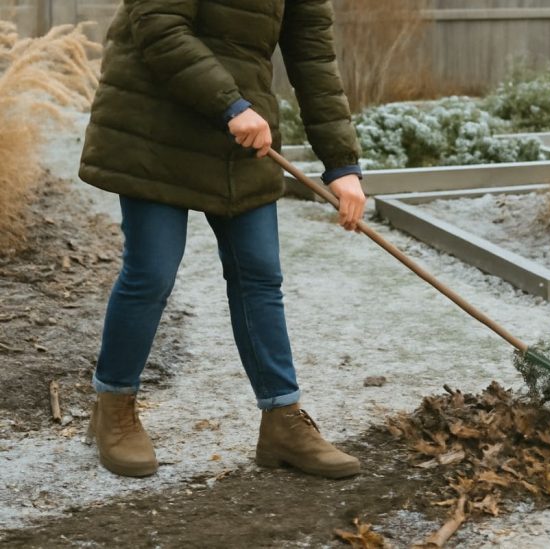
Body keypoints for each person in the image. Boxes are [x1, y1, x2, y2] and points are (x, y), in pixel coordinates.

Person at [78, 0, 366, 479]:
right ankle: (114, 406)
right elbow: (158, 24)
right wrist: (229, 103)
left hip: (238, 134)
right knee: (152, 271)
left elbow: (312, 59)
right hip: (157, 123)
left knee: (259, 273)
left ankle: (282, 420)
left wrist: (342, 165)